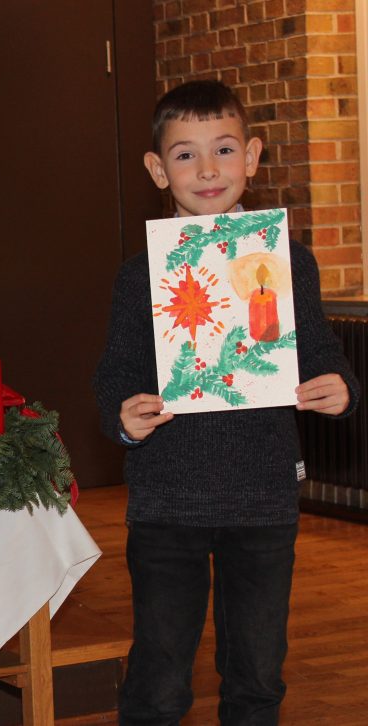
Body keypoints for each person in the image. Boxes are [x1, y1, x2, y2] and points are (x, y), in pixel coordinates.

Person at [93, 79, 359, 725]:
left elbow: (318, 349)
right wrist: (123, 418)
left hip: (263, 497)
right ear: (158, 169)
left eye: (224, 149)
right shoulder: (139, 275)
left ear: (253, 157)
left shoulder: (289, 261)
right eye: (185, 154)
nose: (208, 169)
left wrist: (341, 386)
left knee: (258, 674)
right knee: (159, 679)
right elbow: (116, 372)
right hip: (166, 502)